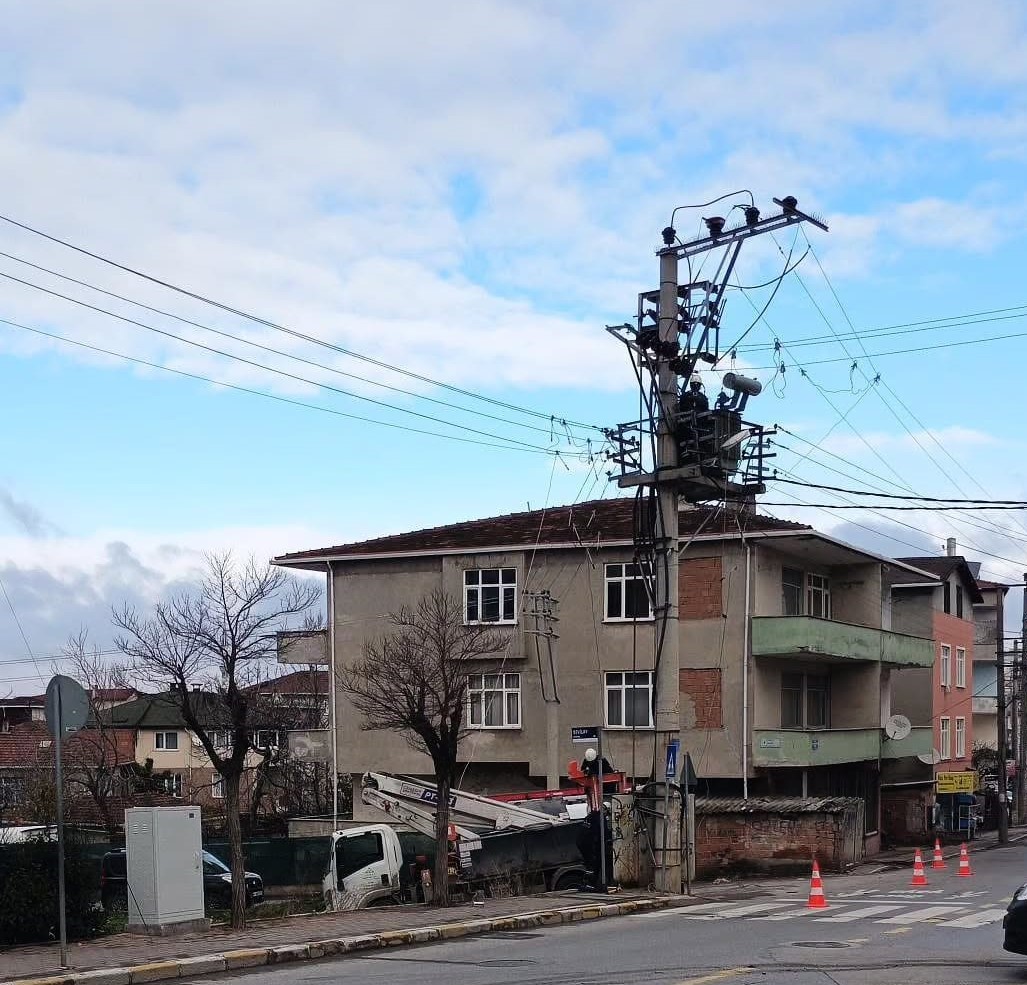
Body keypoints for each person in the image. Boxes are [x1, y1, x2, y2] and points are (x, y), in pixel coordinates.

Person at [676, 372, 710, 465]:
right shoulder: (687, 396)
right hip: (688, 424)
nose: (695, 386)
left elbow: (705, 411)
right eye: (694, 385)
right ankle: (687, 452)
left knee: (697, 438)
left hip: (697, 425)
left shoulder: (701, 398)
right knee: (687, 436)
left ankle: (693, 453)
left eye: (697, 385)